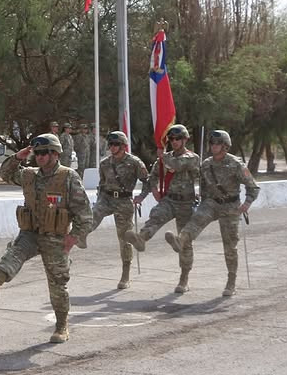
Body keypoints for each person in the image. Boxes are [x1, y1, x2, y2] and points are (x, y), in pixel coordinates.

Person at [0, 133, 92, 343]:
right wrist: (18, 156)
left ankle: (61, 326)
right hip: (31, 233)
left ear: (56, 154)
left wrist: (73, 237)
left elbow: (84, 212)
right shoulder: (29, 174)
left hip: (55, 237)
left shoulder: (68, 177)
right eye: (37, 153)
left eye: (44, 153)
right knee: (13, 253)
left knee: (57, 283)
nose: (40, 157)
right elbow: (6, 174)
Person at [166, 129, 260, 297]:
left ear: (225, 146)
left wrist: (247, 203)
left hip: (231, 206)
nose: (213, 146)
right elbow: (202, 185)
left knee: (229, 245)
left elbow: (253, 186)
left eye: (217, 143)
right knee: (194, 222)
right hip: (210, 203)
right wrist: (201, 201)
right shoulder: (206, 164)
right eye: (211, 143)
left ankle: (231, 281)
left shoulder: (236, 164)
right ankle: (180, 241)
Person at [124, 124, 200, 293]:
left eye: (177, 138)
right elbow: (152, 178)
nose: (174, 141)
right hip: (170, 200)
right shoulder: (163, 159)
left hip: (187, 203)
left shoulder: (191, 157)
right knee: (156, 215)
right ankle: (141, 238)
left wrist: (162, 156)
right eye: (171, 139)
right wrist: (150, 193)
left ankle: (184, 278)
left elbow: (178, 165)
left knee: (184, 242)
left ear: (185, 139)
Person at [88, 130, 150, 290]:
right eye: (110, 144)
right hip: (107, 198)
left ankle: (125, 274)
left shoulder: (135, 162)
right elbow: (101, 184)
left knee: (124, 239)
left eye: (115, 144)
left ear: (123, 146)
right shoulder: (104, 163)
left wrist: (141, 197)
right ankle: (81, 236)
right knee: (92, 216)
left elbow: (147, 182)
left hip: (124, 201)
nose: (112, 147)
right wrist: (99, 199)